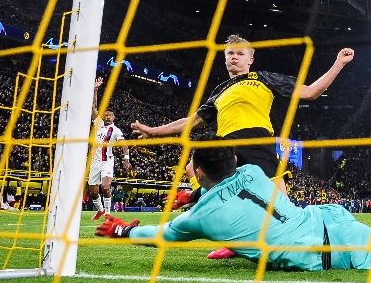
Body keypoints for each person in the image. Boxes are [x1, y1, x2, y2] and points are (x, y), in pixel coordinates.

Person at [95, 139, 371, 271]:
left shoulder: (197, 219)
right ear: (233, 161)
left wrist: (121, 230)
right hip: (334, 222)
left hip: (332, 251)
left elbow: (159, 234)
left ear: (195, 173)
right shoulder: (253, 173)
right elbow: (242, 191)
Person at [131, 35, 354, 258]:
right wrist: (153, 131)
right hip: (227, 148)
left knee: (282, 206)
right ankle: (232, 239)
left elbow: (310, 92)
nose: (234, 57)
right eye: (230, 54)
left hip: (258, 143)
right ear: (225, 59)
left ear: (250, 59)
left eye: (239, 53)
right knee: (194, 167)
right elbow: (191, 122)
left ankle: (312, 240)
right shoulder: (219, 91)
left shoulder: (264, 78)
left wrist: (338, 64)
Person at [88, 77, 132, 221]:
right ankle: (100, 210)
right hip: (94, 161)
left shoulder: (116, 131)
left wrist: (126, 159)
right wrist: (95, 90)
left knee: (105, 187)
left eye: (110, 115)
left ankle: (107, 213)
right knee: (93, 192)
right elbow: (93, 108)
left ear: (114, 117)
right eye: (106, 114)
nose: (107, 117)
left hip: (107, 161)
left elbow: (124, 144)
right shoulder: (98, 123)